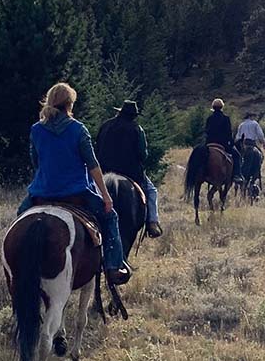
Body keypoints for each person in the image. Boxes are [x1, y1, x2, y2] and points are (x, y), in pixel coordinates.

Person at [17, 82, 131, 285]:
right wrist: (105, 196)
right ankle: (114, 266)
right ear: (69, 104)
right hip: (76, 192)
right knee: (110, 217)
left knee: (20, 217)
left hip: (42, 192)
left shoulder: (36, 130)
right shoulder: (78, 129)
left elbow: (36, 161)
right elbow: (93, 165)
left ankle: (15, 265)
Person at [95, 100, 164, 238]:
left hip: (104, 171)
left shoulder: (105, 125)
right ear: (134, 115)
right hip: (131, 172)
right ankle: (152, 223)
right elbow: (143, 154)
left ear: (119, 112)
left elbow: (97, 147)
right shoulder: (137, 129)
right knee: (151, 191)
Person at [204, 98, 242, 181]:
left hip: (209, 143)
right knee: (237, 156)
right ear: (222, 107)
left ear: (213, 107)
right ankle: (236, 175)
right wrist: (231, 143)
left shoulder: (209, 118)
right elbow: (228, 133)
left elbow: (206, 131)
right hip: (222, 144)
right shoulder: (226, 119)